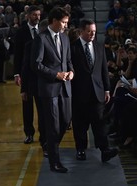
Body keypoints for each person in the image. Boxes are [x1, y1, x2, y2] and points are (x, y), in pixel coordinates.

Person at [31, 7, 74, 173]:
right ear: (54, 21)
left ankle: (50, 143)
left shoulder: (65, 37)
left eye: (66, 23)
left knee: (65, 122)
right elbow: (35, 64)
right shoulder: (40, 39)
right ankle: (54, 162)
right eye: (63, 22)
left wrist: (71, 72)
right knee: (53, 127)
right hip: (49, 89)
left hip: (65, 88)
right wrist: (55, 74)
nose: (65, 26)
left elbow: (68, 60)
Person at [70, 19, 118, 162]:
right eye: (89, 31)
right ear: (81, 31)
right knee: (80, 124)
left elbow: (103, 70)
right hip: (79, 93)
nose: (92, 34)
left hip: (97, 92)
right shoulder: (72, 48)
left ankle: (105, 150)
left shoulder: (99, 47)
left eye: (94, 32)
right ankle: (80, 150)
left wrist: (107, 90)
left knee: (100, 123)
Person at [13, 5, 43, 145]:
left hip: (41, 74)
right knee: (27, 106)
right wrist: (16, 73)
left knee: (42, 106)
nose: (37, 17)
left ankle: (43, 133)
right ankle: (29, 133)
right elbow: (18, 54)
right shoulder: (21, 31)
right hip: (27, 74)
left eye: (38, 15)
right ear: (28, 15)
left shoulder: (43, 31)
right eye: (34, 15)